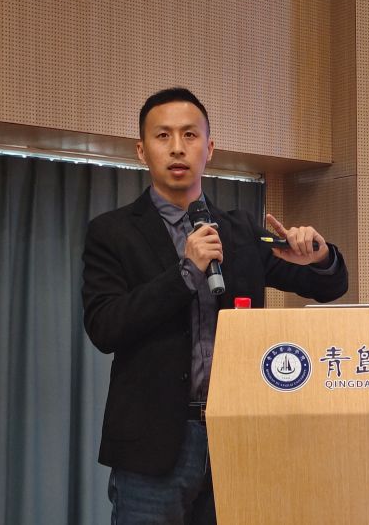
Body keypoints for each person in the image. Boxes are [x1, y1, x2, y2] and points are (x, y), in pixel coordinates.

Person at [82, 87, 348, 524]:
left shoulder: (242, 230)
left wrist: (319, 256)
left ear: (209, 148)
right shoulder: (112, 233)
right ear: (141, 150)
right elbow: (105, 326)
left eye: (190, 135)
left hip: (237, 434)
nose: (177, 148)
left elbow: (330, 286)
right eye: (163, 136)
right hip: (153, 444)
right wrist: (185, 273)